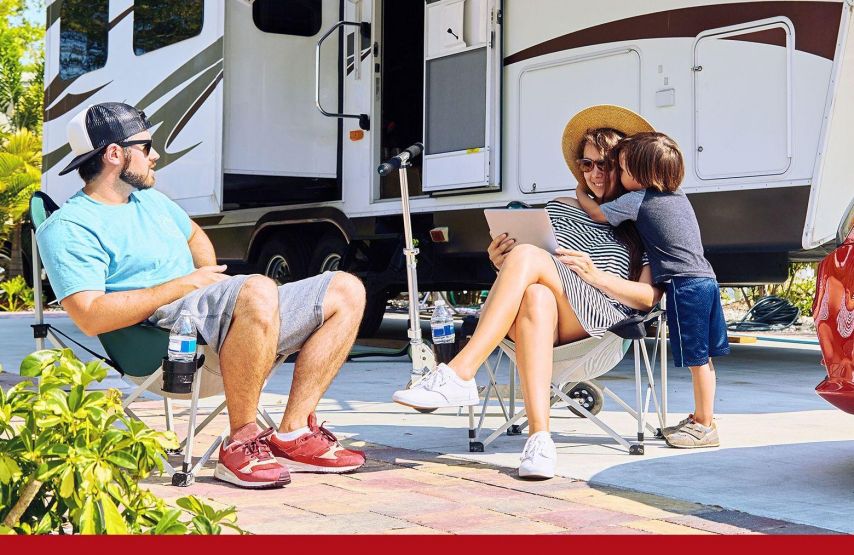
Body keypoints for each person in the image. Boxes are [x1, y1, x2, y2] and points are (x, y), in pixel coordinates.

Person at [36, 102, 367, 489]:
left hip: (210, 316)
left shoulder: (149, 200)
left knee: (346, 288)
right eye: (145, 147)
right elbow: (89, 316)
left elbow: (194, 235)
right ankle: (241, 443)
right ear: (114, 154)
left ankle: (292, 432)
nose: (155, 155)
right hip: (161, 337)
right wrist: (184, 285)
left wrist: (207, 279)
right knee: (257, 288)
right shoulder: (70, 226)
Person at [393, 105, 663, 479]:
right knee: (535, 293)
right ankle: (540, 439)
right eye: (587, 165)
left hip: (600, 326)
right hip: (546, 316)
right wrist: (499, 262)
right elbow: (541, 263)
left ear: (624, 165)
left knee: (528, 259)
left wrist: (595, 275)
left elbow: (648, 297)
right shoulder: (561, 208)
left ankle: (460, 372)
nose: (595, 174)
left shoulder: (642, 221)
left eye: (605, 164)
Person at [576, 131, 729, 449]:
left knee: (696, 359)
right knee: (706, 359)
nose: (619, 173)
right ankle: (704, 417)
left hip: (684, 284)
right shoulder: (679, 195)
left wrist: (581, 190)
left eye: (623, 168)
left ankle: (704, 425)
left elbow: (596, 214)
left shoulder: (637, 198)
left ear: (643, 175)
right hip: (706, 280)